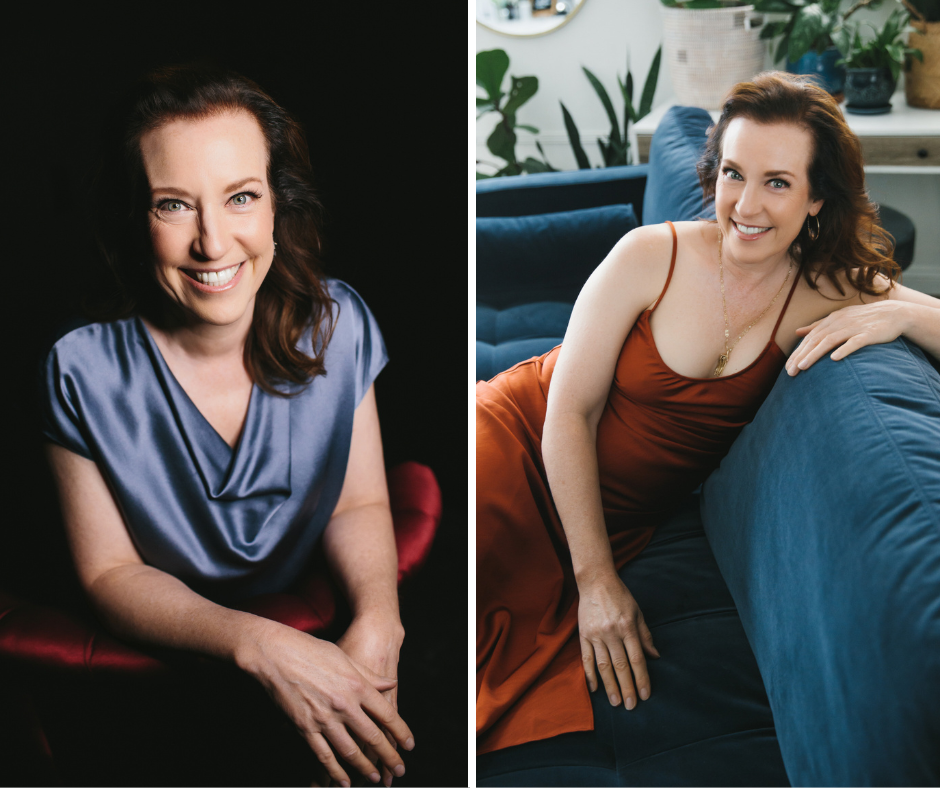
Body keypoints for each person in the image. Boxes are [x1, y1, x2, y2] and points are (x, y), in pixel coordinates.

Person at [476, 71, 940, 756]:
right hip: (516, 448)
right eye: (732, 174)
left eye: (777, 183)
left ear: (817, 200)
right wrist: (596, 582)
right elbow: (569, 413)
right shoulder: (649, 256)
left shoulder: (825, 292)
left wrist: (901, 308)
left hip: (616, 519)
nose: (745, 206)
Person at [40, 63, 413, 788]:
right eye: (173, 205)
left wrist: (378, 622)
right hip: (153, 687)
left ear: (278, 205)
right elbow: (109, 574)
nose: (213, 243)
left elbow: (359, 502)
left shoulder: (336, 324)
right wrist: (262, 646)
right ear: (133, 219)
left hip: (319, 631)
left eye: (241, 196)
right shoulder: (78, 366)